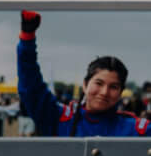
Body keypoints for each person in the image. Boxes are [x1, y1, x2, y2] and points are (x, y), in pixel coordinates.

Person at [16, 10, 149, 136]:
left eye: (113, 87)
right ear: (85, 85)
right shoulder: (57, 117)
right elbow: (30, 87)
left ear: (120, 93)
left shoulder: (136, 130)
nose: (104, 92)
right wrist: (27, 39)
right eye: (99, 83)